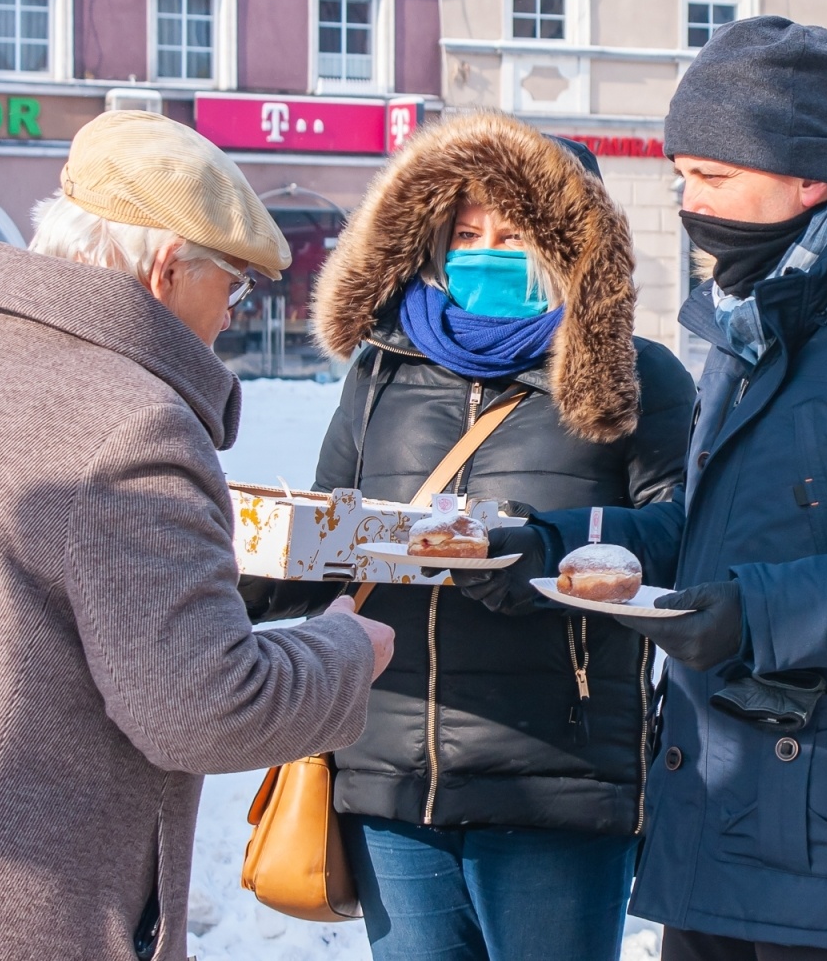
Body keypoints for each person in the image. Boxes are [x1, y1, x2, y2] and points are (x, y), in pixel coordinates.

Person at [476, 16, 827, 959]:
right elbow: (712, 535)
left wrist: (759, 615)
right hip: (722, 810)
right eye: (680, 173)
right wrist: (555, 547)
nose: (684, 199)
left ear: (806, 179)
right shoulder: (763, 314)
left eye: (712, 177)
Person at [0, 110, 394, 961]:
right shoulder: (132, 422)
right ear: (168, 269)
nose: (230, 318)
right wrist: (344, 647)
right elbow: (203, 708)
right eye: (230, 287)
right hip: (16, 916)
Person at [240, 111, 695, 961]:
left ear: (571, 246)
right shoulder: (380, 372)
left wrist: (548, 548)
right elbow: (337, 536)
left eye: (514, 233)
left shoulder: (639, 375)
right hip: (390, 775)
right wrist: (238, 565)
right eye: (466, 231)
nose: (486, 250)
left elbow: (683, 534)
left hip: (555, 778)